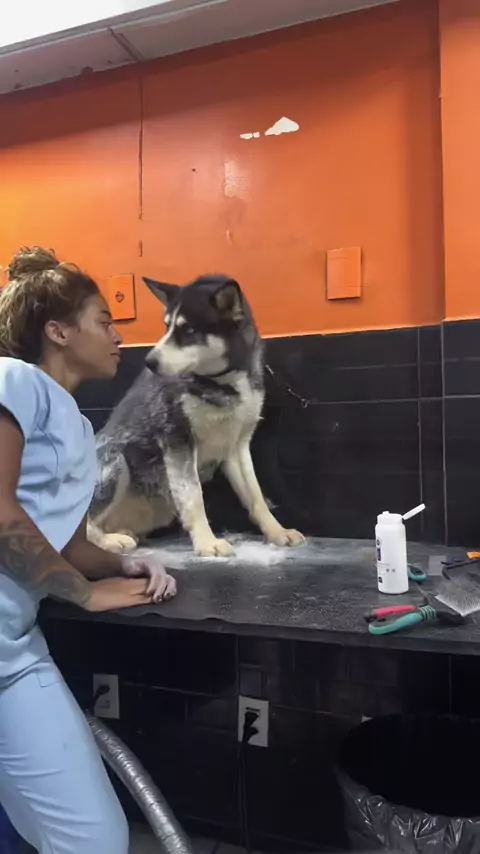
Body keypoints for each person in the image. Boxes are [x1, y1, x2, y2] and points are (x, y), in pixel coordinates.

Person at [0, 246, 177, 854]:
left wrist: (127, 564)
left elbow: (70, 546)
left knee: (81, 835)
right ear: (58, 331)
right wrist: (84, 594)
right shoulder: (13, 380)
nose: (118, 334)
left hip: (12, 649)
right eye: (104, 320)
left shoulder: (75, 425)